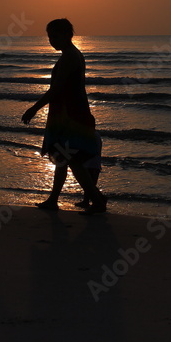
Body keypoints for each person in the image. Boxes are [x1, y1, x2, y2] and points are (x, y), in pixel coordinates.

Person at [22, 19, 107, 213]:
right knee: (61, 158)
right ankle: (53, 200)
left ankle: (97, 201)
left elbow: (57, 89)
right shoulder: (69, 55)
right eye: (50, 36)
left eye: (55, 36)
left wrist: (34, 108)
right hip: (66, 113)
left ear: (68, 35)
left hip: (72, 115)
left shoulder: (70, 56)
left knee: (73, 160)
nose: (52, 40)